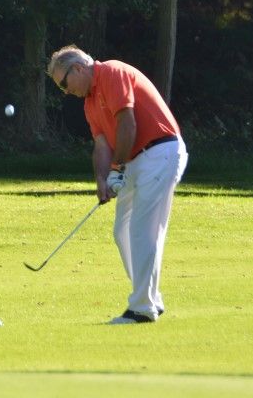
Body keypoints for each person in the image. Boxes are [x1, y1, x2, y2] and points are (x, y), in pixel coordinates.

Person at [47, 45, 188, 324]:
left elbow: (128, 123)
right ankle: (150, 298)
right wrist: (102, 179)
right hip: (135, 160)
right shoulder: (89, 103)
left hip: (160, 152)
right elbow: (102, 143)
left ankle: (141, 309)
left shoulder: (111, 72)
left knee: (141, 230)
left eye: (64, 83)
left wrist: (117, 168)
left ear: (78, 68)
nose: (65, 91)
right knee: (121, 230)